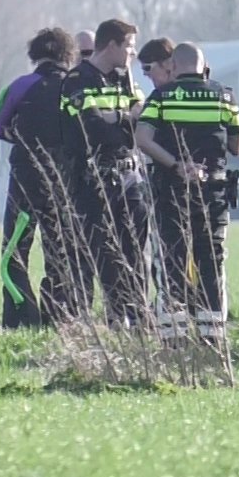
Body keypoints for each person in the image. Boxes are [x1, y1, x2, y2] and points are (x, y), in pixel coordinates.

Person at [136, 42, 239, 343]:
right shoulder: (225, 96)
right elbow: (237, 146)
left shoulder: (162, 97)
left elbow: (143, 139)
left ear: (173, 65)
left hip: (172, 190)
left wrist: (177, 164)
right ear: (203, 65)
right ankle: (212, 336)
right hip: (214, 193)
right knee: (211, 259)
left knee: (172, 258)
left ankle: (175, 336)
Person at [0, 27, 86, 327]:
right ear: (68, 54)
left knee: (15, 250)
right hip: (64, 181)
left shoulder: (20, 86)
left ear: (35, 54)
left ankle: (21, 316)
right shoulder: (76, 87)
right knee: (60, 249)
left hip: (25, 178)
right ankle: (59, 314)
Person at [63, 18, 149, 327]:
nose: (132, 53)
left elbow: (144, 116)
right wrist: (126, 119)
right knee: (108, 254)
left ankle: (139, 316)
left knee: (136, 252)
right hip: (96, 180)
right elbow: (94, 129)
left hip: (130, 177)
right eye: (129, 46)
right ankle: (116, 317)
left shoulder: (124, 79)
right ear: (111, 45)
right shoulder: (78, 80)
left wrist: (117, 118)